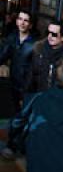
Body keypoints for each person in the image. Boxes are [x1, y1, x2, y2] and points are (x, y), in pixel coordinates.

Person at [0, 9, 36, 159]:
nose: (22, 22)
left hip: (28, 87)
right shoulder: (12, 38)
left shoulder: (34, 44)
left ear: (30, 25)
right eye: (20, 19)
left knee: (21, 116)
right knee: (16, 115)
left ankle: (12, 146)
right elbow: (2, 55)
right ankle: (18, 144)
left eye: (26, 20)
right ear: (16, 21)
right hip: (14, 84)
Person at [25, 19, 63, 93]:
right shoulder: (39, 50)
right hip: (39, 97)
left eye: (54, 34)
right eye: (48, 33)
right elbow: (31, 76)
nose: (49, 36)